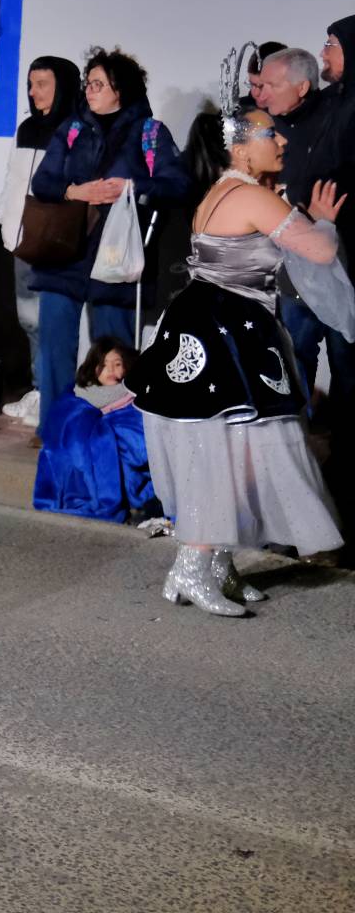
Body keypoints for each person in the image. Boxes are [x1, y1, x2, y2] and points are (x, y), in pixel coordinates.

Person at [133, 105, 348, 615]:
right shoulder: (250, 195)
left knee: (237, 453)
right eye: (271, 133)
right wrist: (324, 223)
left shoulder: (223, 190)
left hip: (215, 325)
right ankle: (190, 568)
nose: (283, 141)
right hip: (228, 335)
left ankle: (218, 566)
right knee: (228, 454)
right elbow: (318, 251)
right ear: (241, 146)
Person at [27, 47, 190, 439]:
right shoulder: (71, 129)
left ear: (121, 89)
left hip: (116, 259)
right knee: (54, 352)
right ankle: (55, 432)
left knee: (115, 354)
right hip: (63, 254)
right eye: (88, 83)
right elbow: (42, 181)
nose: (90, 90)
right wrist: (75, 191)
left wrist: (132, 187)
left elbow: (178, 185)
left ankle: (112, 432)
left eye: (99, 84)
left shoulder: (150, 133)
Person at [256, 46, 352, 420]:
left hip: (340, 263)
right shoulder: (261, 126)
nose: (262, 94)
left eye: (271, 85)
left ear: (301, 87)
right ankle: (296, 440)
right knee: (294, 359)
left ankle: (341, 446)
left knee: (346, 360)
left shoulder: (337, 117)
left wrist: (312, 216)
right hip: (288, 270)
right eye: (259, 85)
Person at [0, 56, 83, 427]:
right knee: (28, 318)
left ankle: (54, 396)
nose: (33, 92)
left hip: (55, 240)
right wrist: (5, 219)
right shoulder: (27, 128)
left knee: (52, 322)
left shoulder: (76, 131)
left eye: (42, 84)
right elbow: (13, 180)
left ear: (62, 86)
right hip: (21, 238)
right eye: (30, 84)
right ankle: (38, 388)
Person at [31, 337, 155, 523]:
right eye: (103, 364)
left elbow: (138, 440)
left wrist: (106, 437)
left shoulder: (134, 400)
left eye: (117, 364)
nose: (110, 370)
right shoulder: (76, 396)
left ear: (126, 367)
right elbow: (59, 428)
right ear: (93, 368)